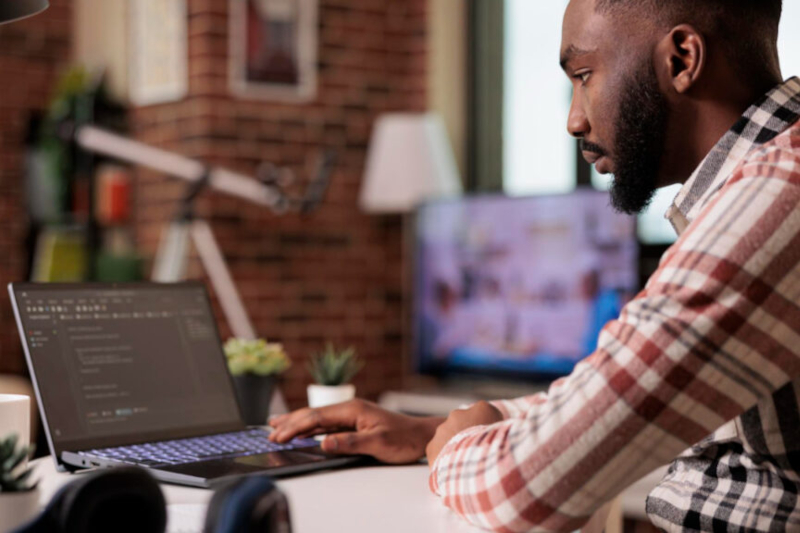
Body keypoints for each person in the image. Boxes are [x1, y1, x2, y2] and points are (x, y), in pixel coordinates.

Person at [270, 0, 800, 530]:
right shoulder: (756, 186)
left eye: (585, 75)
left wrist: (459, 448)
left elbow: (525, 493)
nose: (575, 120)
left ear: (683, 59)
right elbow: (626, 393)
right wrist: (437, 429)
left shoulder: (780, 193)